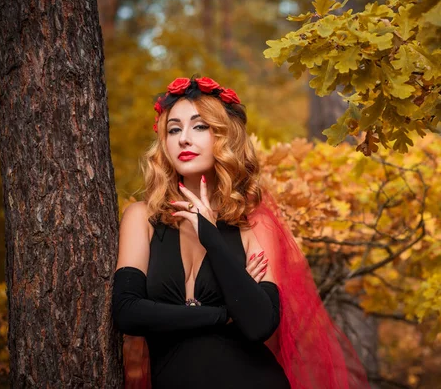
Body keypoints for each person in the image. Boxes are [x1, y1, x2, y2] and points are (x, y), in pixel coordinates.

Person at [111, 76, 370, 388]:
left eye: (200, 126)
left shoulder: (255, 223)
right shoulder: (141, 218)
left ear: (225, 137)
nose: (184, 139)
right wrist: (223, 314)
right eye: (174, 129)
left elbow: (259, 324)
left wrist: (210, 236)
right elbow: (127, 313)